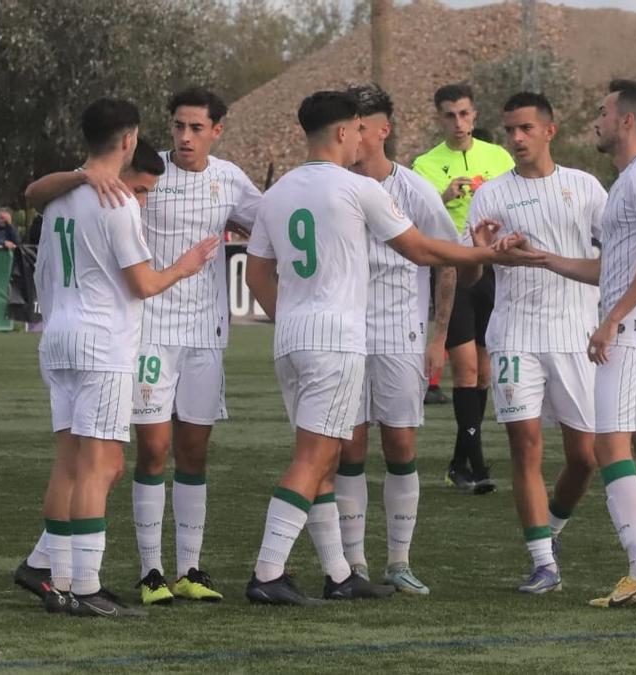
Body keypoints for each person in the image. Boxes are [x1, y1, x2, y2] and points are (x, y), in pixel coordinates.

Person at [242, 90, 538, 607]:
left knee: (328, 454)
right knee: (315, 460)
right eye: (356, 127)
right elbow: (420, 249)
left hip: (291, 338)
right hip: (335, 341)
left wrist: (287, 314)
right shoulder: (356, 188)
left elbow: (257, 270)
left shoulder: (279, 192)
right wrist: (485, 253)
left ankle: (340, 573)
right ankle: (268, 572)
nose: (360, 135)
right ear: (342, 132)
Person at [22, 87, 263, 607]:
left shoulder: (69, 193)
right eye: (177, 125)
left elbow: (30, 193)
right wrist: (185, 265)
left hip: (67, 337)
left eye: (196, 127)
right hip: (111, 340)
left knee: (78, 461)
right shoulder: (118, 202)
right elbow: (143, 284)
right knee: (104, 464)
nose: (184, 136)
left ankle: (54, 575)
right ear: (130, 141)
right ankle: (90, 582)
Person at [525, 80, 636, 607]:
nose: (595, 120)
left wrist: (613, 320)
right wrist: (545, 258)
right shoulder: (628, 181)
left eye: (602, 112)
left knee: (609, 445)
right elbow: (613, 267)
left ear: (626, 121)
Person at [457, 91, 605, 594]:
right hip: (515, 334)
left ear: (550, 131)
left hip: (574, 335)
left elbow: (615, 258)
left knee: (586, 457)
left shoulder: (585, 187)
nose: (516, 138)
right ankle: (543, 563)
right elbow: (471, 274)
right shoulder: (491, 194)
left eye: (525, 128)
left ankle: (554, 530)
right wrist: (480, 251)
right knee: (525, 447)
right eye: (509, 131)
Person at [328, 83, 459, 595]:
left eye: (364, 126)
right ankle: (355, 564)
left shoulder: (415, 189)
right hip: (344, 333)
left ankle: (399, 561)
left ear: (383, 131)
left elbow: (446, 257)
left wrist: (438, 336)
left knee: (400, 444)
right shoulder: (334, 187)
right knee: (350, 448)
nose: (354, 135)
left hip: (401, 333)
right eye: (350, 125)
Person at [411, 83, 516, 493]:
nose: (459, 122)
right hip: (452, 271)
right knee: (466, 370)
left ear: (475, 115)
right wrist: (442, 195)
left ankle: (459, 461)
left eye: (465, 114)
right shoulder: (425, 164)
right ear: (439, 118)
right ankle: (475, 463)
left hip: (493, 270)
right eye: (450, 115)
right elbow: (413, 220)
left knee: (486, 371)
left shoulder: (499, 157)